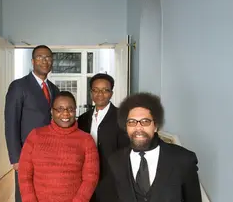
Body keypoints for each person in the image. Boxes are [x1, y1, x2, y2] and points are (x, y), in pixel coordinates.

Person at [108, 92, 202, 202]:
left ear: (156, 126)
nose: (138, 128)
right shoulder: (115, 161)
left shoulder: (184, 160)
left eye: (145, 122)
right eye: (132, 122)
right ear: (126, 127)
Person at [18, 91, 100, 202]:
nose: (65, 114)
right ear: (52, 111)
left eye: (70, 109)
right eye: (60, 109)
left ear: (75, 111)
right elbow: (24, 175)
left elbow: (91, 178)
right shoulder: (35, 136)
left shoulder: (86, 140)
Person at [4, 45, 60, 202]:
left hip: (51, 152)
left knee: (47, 193)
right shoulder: (19, 86)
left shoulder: (54, 89)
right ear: (32, 61)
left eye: (48, 57)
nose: (45, 61)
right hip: (27, 153)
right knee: (25, 195)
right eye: (40, 57)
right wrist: (15, 158)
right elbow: (11, 123)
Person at [77, 73, 129, 202]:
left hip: (112, 180)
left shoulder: (121, 118)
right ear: (91, 92)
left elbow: (126, 152)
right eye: (96, 90)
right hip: (87, 178)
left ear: (111, 93)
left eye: (105, 90)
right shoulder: (83, 119)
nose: (100, 94)